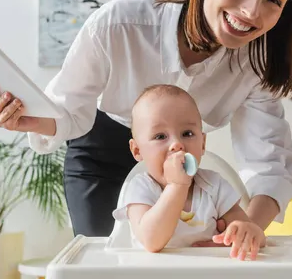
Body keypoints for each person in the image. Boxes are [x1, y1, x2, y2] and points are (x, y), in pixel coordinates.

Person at [0, 0, 292, 238]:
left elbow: (269, 162)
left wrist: (250, 228)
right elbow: (68, 110)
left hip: (186, 170)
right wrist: (28, 118)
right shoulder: (120, 23)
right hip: (101, 156)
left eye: (273, 0)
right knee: (104, 265)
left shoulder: (257, 63)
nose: (251, 12)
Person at [112, 84, 265, 260]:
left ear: (202, 144)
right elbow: (151, 240)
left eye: (187, 133)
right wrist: (177, 186)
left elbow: (251, 233)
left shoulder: (214, 186)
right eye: (160, 136)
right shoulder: (140, 188)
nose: (177, 144)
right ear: (137, 150)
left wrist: (247, 232)